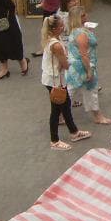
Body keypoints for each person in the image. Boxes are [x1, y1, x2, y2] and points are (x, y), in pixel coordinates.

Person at [41, 15, 91, 151]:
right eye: (61, 26)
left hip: (54, 78)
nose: (63, 28)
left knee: (66, 105)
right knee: (56, 111)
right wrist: (71, 61)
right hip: (55, 81)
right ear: (54, 29)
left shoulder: (52, 40)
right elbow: (65, 64)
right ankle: (54, 141)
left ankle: (74, 132)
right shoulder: (56, 45)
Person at [65, 4, 111, 125]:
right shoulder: (81, 34)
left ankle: (61, 115)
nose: (87, 16)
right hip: (82, 67)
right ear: (79, 18)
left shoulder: (76, 31)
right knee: (91, 90)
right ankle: (98, 116)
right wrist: (89, 70)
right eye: (83, 15)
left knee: (70, 91)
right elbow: (84, 54)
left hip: (74, 67)